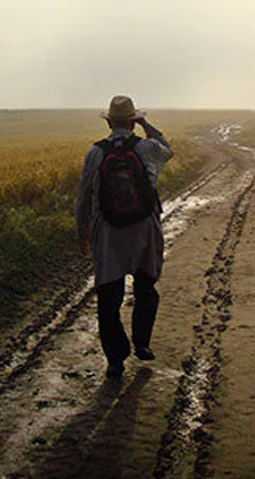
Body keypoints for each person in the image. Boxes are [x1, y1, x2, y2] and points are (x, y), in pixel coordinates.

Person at [76, 95, 173, 378]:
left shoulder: (95, 153)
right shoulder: (147, 148)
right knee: (145, 288)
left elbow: (84, 197)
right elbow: (168, 150)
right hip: (144, 229)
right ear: (132, 122)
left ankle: (116, 359)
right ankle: (142, 343)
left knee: (109, 298)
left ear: (109, 123)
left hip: (108, 231)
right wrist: (147, 125)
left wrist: (82, 231)